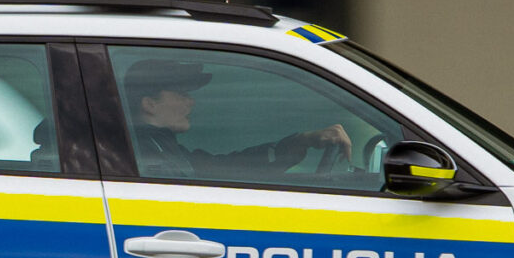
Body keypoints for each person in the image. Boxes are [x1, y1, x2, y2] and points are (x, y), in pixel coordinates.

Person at [127, 56, 352, 180]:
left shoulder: (159, 149)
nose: (191, 102)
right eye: (182, 94)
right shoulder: (147, 157)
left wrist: (301, 141)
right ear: (149, 104)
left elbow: (224, 166)